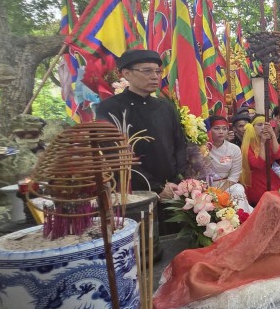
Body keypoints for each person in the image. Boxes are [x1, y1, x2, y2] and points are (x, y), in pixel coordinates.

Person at [94, 49, 187, 192]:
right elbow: (115, 156)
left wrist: (179, 180)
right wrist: (157, 188)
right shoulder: (109, 108)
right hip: (134, 193)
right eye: (147, 71)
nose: (155, 77)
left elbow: (180, 145)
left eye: (157, 71)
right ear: (127, 74)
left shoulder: (165, 107)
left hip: (173, 191)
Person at [205, 115, 252, 214]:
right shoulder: (203, 148)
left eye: (224, 129)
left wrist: (219, 192)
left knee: (239, 189)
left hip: (226, 184)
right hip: (206, 184)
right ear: (209, 130)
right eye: (216, 128)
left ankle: (241, 219)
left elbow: (235, 175)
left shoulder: (234, 149)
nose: (221, 132)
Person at [239, 115, 280, 205]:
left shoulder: (268, 140)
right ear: (252, 127)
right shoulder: (247, 146)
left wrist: (273, 135)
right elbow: (259, 165)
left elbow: (278, 155)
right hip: (256, 181)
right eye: (259, 125)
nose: (263, 127)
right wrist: (262, 143)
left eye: (265, 125)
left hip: (270, 176)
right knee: (277, 202)